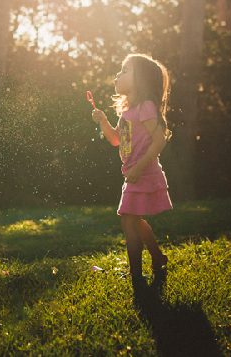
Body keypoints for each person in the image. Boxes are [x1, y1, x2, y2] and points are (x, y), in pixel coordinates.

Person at [91, 54, 172, 288]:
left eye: (125, 71)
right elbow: (117, 140)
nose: (118, 75)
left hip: (143, 172)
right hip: (133, 173)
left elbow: (159, 141)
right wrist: (104, 122)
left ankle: (137, 277)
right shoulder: (127, 111)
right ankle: (157, 257)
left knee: (129, 222)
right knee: (134, 222)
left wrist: (138, 167)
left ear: (141, 80)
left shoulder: (145, 108)